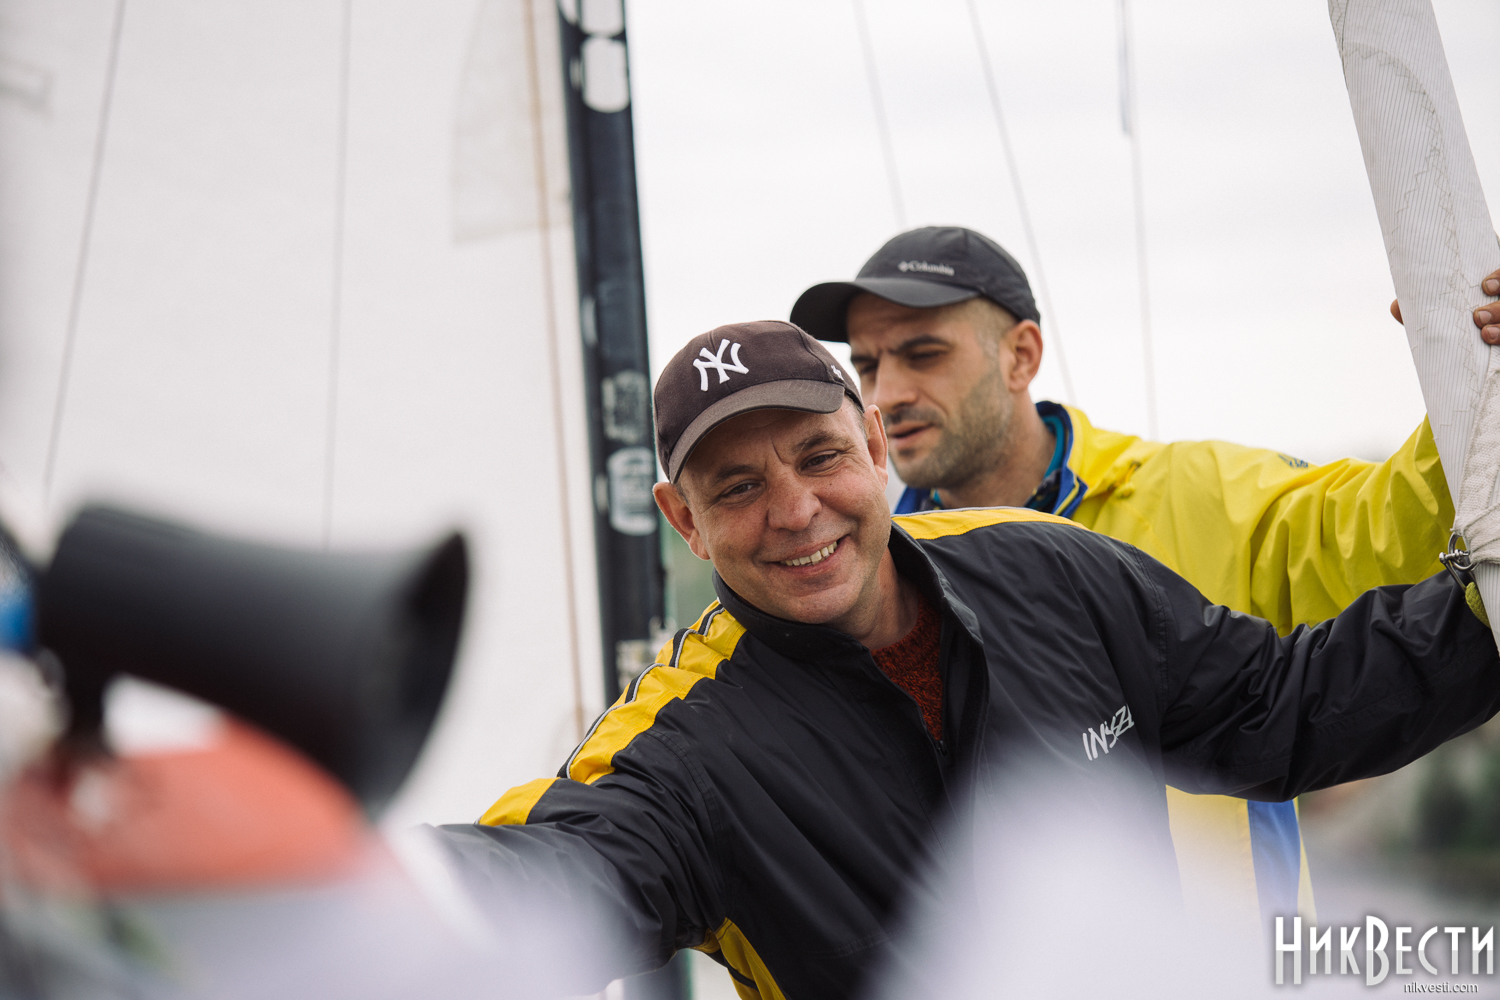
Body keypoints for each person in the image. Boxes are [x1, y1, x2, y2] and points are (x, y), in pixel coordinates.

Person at [433, 320, 1500, 1000]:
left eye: (818, 456)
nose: (796, 512)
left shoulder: (1046, 569)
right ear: (684, 520)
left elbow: (1279, 705)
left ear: (873, 446)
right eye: (738, 488)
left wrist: (1488, 618)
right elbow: (562, 868)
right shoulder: (683, 748)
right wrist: (367, 888)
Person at [790, 226, 1500, 936]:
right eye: (868, 365)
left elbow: (1391, 533)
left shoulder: (1199, 496)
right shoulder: (865, 583)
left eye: (923, 354)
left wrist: (1479, 380)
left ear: (1021, 355)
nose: (887, 394)